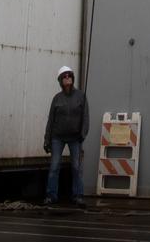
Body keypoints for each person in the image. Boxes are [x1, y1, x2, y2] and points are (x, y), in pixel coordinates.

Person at [43, 64, 89, 206]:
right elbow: (51, 119)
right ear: (60, 80)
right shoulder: (57, 98)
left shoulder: (81, 96)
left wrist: (83, 134)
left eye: (69, 75)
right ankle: (51, 196)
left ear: (73, 78)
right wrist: (47, 139)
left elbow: (86, 117)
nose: (67, 78)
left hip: (75, 137)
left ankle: (78, 195)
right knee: (55, 166)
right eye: (65, 76)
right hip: (58, 137)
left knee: (76, 167)